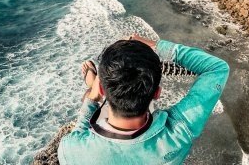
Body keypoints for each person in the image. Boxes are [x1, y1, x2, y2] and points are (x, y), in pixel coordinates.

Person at [57, 34, 230, 165]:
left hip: (104, 101)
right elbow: (216, 68)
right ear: (157, 93)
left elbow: (79, 132)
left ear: (101, 89)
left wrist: (92, 98)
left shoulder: (71, 150)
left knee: (98, 105)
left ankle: (92, 83)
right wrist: (157, 45)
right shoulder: (179, 133)